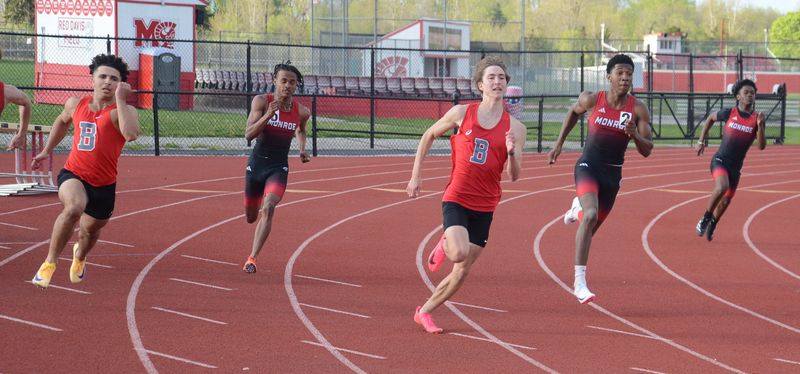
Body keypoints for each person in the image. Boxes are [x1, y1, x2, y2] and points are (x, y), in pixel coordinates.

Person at [407, 56, 526, 333]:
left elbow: (515, 175)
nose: (497, 82)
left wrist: (511, 153)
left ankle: (424, 312)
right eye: (492, 78)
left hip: (486, 203)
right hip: (458, 196)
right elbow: (428, 135)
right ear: (480, 85)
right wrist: (416, 175)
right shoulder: (462, 114)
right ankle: (447, 240)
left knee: (461, 272)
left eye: (502, 78)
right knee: (458, 253)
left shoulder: (516, 129)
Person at [547, 54, 652, 304]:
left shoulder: (638, 109)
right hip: (588, 165)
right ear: (609, 76)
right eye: (620, 73)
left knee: (591, 227)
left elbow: (647, 150)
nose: (625, 78)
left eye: (629, 74)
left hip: (612, 174)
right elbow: (573, 113)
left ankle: (576, 208)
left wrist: (635, 135)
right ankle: (579, 283)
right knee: (591, 214)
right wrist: (559, 144)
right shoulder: (592, 99)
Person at [30, 54, 140, 288]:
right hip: (74, 173)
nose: (107, 82)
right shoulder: (75, 104)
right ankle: (49, 263)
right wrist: (47, 150)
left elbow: (130, 134)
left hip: (104, 183)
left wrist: (120, 100)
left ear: (120, 84)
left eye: (114, 78)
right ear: (92, 78)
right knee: (73, 209)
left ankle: (79, 256)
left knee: (89, 232)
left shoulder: (125, 111)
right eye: (102, 76)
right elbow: (61, 121)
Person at [242, 62, 310, 273]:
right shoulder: (262, 102)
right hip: (257, 165)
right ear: (275, 82)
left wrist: (301, 149)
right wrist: (268, 115)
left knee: (269, 206)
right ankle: (254, 219)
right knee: (251, 217)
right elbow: (248, 135)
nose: (287, 86)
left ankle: (252, 258)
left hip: (278, 167)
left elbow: (301, 130)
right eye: (283, 81)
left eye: (292, 82)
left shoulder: (302, 111)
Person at [695, 79, 765, 241]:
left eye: (752, 93)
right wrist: (701, 140)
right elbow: (710, 119)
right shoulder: (729, 113)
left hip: (736, 167)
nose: (749, 96)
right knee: (721, 187)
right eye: (746, 93)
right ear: (738, 97)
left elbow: (761, 146)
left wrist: (760, 126)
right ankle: (706, 217)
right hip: (720, 160)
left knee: (726, 200)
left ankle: (713, 222)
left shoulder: (757, 118)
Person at [1, 48, 34, 151]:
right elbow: (26, 101)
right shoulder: (6, 91)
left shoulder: (5, 91)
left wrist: (21, 134)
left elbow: (26, 102)